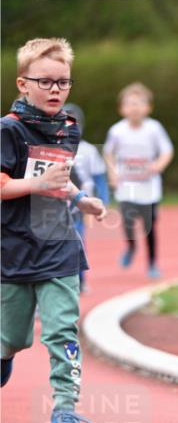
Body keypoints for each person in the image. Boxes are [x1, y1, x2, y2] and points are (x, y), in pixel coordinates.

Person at [0, 37, 106, 423]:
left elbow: (58, 178)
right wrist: (38, 181)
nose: (56, 90)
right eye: (45, 82)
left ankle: (65, 410)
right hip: (12, 248)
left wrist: (82, 199)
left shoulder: (68, 129)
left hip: (59, 244)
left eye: (63, 82)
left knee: (62, 329)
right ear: (23, 84)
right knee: (11, 337)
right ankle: (5, 353)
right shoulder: (7, 131)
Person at [103, 82, 173, 278]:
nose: (134, 107)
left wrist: (159, 165)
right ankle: (131, 247)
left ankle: (152, 263)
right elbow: (108, 154)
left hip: (149, 186)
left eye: (139, 103)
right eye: (130, 103)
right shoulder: (117, 131)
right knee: (127, 222)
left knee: (149, 227)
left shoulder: (154, 129)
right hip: (127, 186)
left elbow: (167, 150)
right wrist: (113, 174)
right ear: (122, 109)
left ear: (148, 107)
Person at [63, 102, 109, 292]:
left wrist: (103, 200)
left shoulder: (89, 150)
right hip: (56, 203)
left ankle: (80, 279)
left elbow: (99, 178)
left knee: (78, 240)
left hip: (80, 204)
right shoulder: (51, 147)